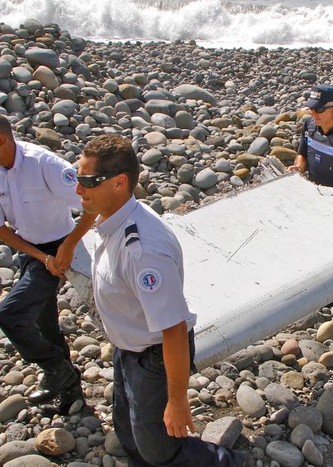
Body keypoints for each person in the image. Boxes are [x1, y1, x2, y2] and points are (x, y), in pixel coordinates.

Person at [74, 134, 251, 467]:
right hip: (129, 349)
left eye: (86, 181)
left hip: (154, 356)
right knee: (129, 427)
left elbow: (173, 328)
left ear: (119, 183)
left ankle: (228, 462)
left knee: (161, 448)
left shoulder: (143, 251)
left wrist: (177, 399)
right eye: (76, 177)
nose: (77, 189)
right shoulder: (111, 220)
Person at [0, 112, 96, 414]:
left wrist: (68, 246)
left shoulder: (43, 163)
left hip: (61, 244)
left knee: (10, 315)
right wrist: (40, 257)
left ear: (1, 140)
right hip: (33, 251)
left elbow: (91, 203)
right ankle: (70, 391)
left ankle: (56, 370)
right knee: (44, 322)